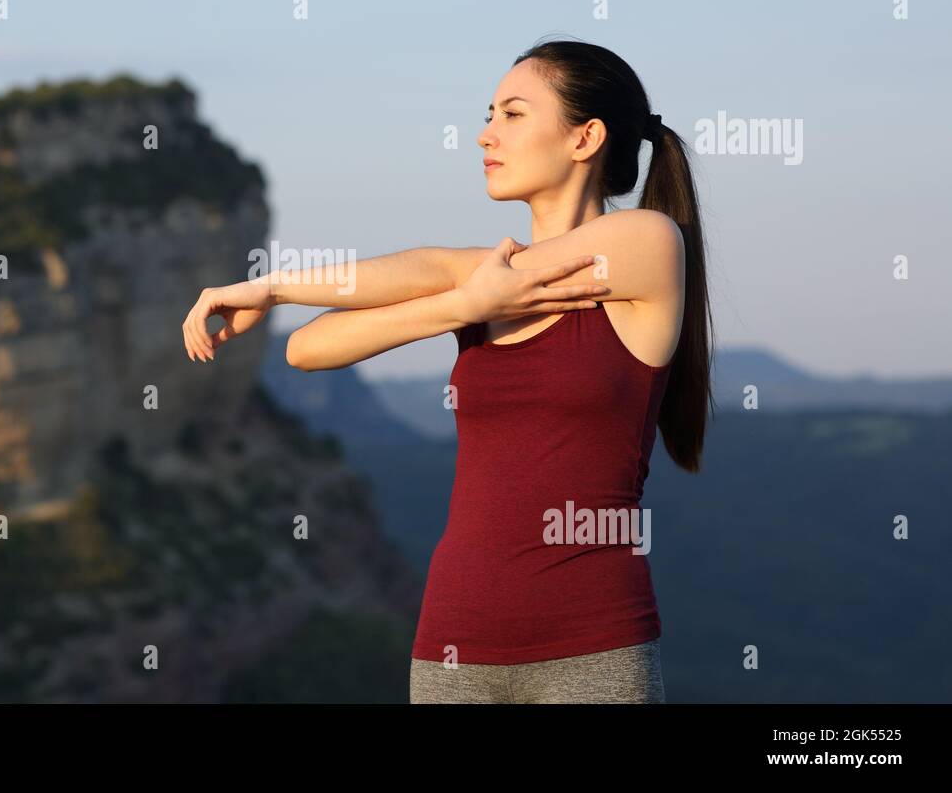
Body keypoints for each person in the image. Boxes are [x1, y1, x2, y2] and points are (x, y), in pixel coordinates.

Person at [181, 38, 713, 703]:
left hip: (593, 650)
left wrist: (463, 294)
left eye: (513, 115)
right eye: (488, 113)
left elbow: (446, 268)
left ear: (587, 137)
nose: (485, 134)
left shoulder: (647, 243)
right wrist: (277, 290)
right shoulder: (481, 288)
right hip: (451, 650)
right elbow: (306, 350)